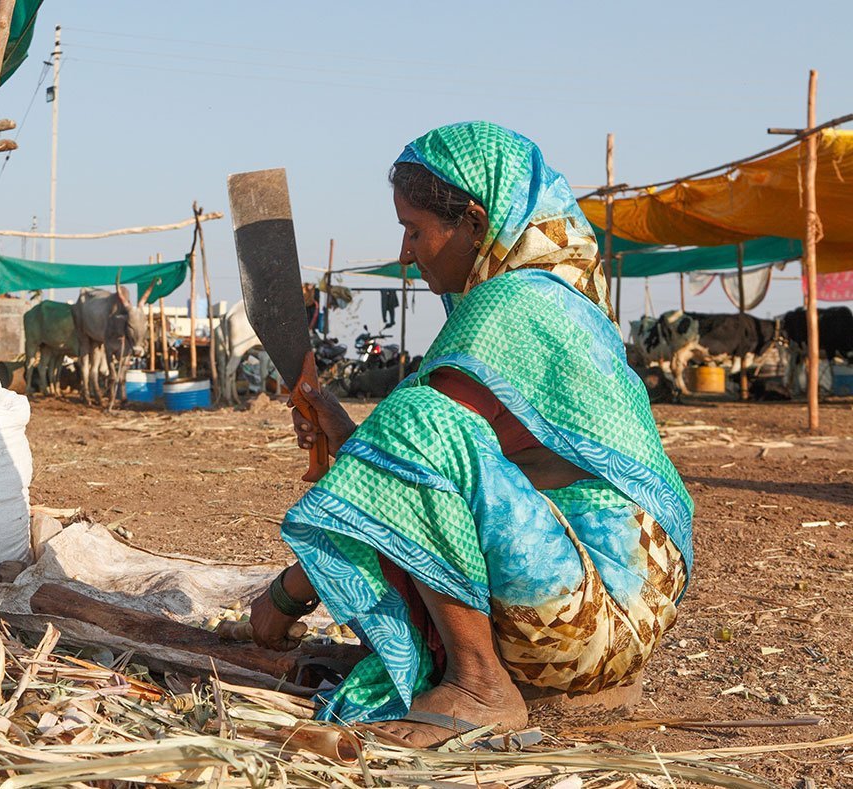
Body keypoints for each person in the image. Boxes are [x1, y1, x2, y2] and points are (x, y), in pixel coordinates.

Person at [249, 121, 693, 747]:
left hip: (595, 612)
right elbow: (430, 483)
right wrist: (346, 432)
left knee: (413, 420)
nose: (406, 251)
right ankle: (503, 673)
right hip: (600, 613)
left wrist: (286, 597)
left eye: (415, 230)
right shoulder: (546, 300)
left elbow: (415, 448)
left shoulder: (514, 306)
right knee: (409, 429)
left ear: (476, 224)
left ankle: (480, 682)